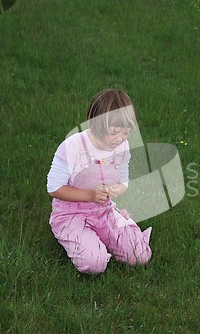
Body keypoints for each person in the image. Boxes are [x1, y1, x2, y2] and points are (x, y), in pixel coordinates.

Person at [46, 89, 152, 274]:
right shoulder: (73, 147)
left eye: (125, 133)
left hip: (103, 210)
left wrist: (121, 187)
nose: (119, 139)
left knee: (139, 255)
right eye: (114, 133)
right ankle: (71, 234)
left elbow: (123, 175)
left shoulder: (122, 146)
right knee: (95, 263)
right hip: (71, 213)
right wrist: (89, 195)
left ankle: (115, 228)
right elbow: (54, 188)